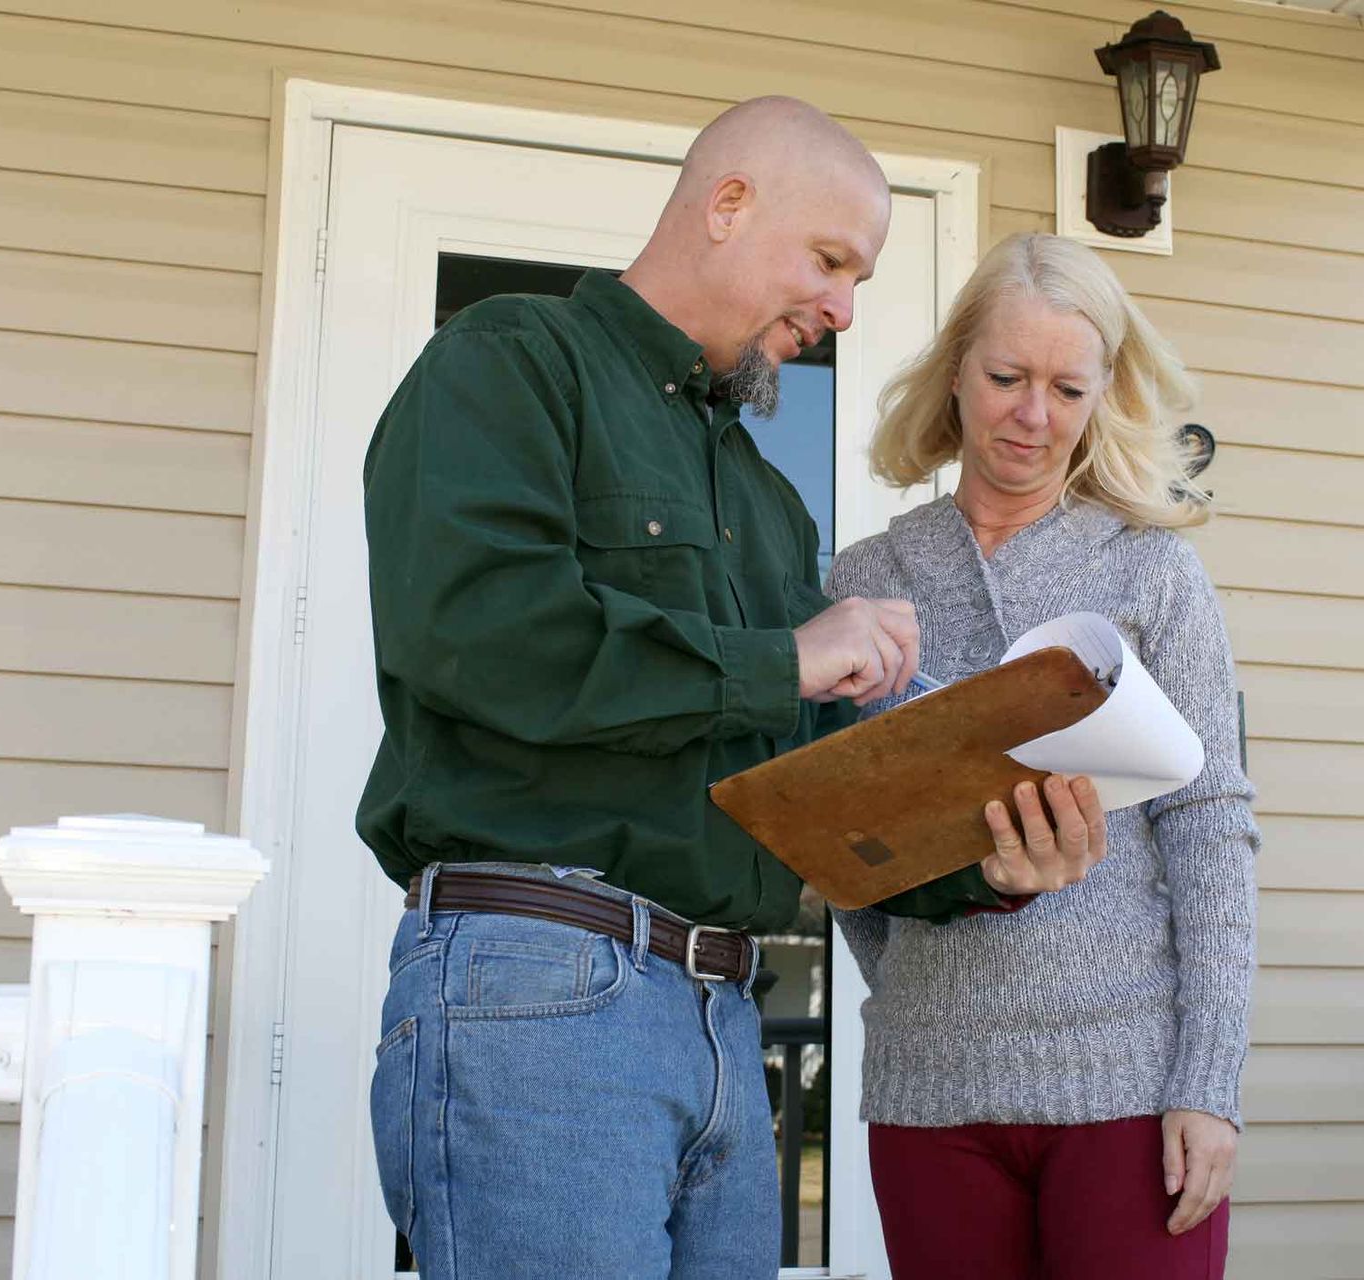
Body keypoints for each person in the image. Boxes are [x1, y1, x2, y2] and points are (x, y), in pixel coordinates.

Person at [355, 99, 1100, 1279]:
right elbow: (481, 637)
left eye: (861, 278)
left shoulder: (765, 501)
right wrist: (788, 656)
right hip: (539, 982)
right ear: (727, 204)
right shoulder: (511, 362)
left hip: (719, 1011)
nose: (846, 308)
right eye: (831, 261)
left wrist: (989, 857)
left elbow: (802, 783)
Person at [827, 231, 1260, 1280]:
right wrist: (910, 988)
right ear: (957, 372)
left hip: (1132, 1085)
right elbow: (844, 840)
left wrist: (1207, 1079)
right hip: (932, 1088)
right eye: (1007, 377)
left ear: (1103, 392)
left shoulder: (1153, 571)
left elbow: (1211, 824)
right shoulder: (868, 576)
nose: (1033, 415)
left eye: (1067, 387)